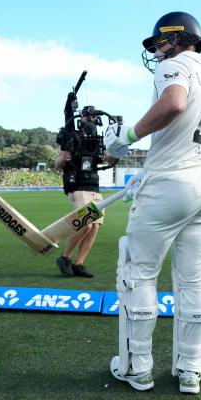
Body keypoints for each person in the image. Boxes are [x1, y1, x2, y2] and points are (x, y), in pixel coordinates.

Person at [104, 11, 201, 395]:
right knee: (196, 279)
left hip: (172, 182)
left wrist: (127, 137)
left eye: (159, 43)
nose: (156, 51)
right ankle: (190, 368)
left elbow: (173, 103)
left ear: (175, 38)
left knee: (137, 272)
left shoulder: (173, 66)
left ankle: (137, 366)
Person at [54, 107, 115, 278]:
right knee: (85, 223)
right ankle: (65, 258)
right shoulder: (71, 136)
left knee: (95, 226)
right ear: (81, 118)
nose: (91, 119)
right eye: (88, 116)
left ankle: (78, 263)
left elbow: (107, 158)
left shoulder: (99, 139)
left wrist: (116, 153)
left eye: (94, 116)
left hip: (93, 186)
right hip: (77, 185)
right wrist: (61, 159)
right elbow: (57, 163)